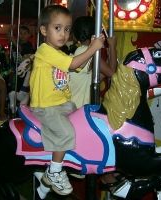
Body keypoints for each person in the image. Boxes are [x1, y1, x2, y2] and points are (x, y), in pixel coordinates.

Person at [29, 4, 105, 196]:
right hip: (46, 106)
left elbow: (78, 67)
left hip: (62, 104)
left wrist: (94, 46)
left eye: (67, 29)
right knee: (66, 132)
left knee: (81, 122)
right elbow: (73, 64)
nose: (63, 34)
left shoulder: (59, 53)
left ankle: (46, 176)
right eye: (57, 28)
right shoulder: (45, 50)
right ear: (44, 30)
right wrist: (92, 47)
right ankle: (54, 172)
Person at [71, 15, 127, 195]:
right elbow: (110, 72)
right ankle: (106, 175)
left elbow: (98, 77)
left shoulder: (79, 53)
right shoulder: (88, 53)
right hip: (81, 112)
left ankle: (108, 173)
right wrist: (112, 46)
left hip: (77, 108)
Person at [7, 25, 34, 92]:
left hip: (23, 69)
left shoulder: (28, 44)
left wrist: (14, 41)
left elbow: (21, 49)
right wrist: (9, 31)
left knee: (20, 85)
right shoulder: (17, 42)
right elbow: (9, 42)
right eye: (20, 33)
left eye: (25, 33)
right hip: (14, 66)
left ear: (28, 35)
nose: (22, 35)